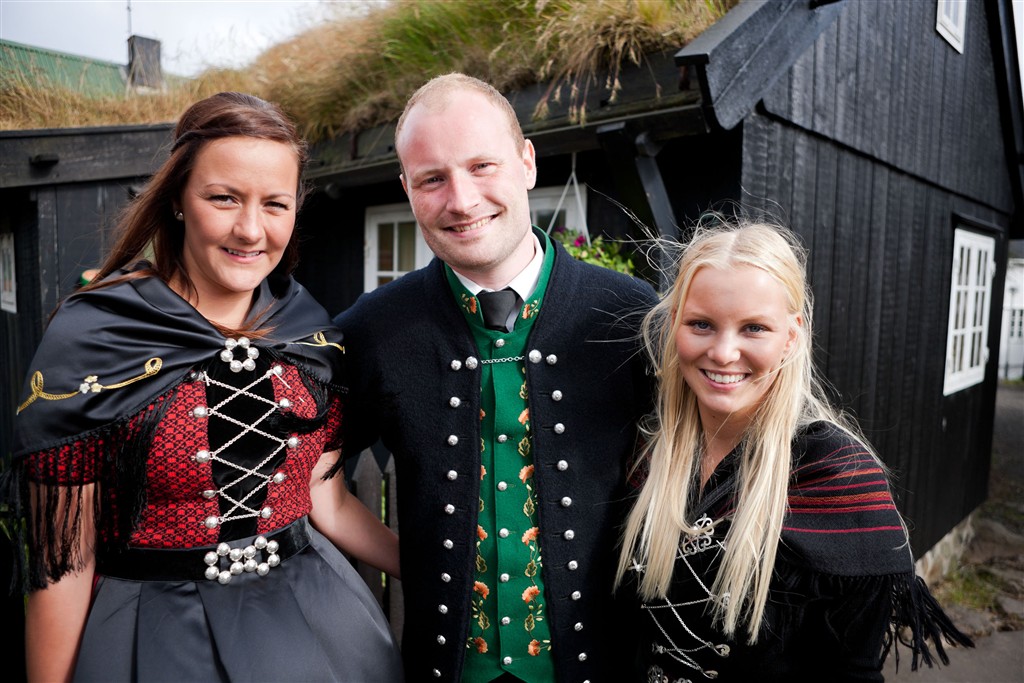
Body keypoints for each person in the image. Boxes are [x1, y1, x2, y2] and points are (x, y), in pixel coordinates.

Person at [8, 92, 404, 683]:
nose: (250, 230)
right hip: (153, 637)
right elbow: (64, 564)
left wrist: (443, 571)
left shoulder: (310, 332)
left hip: (321, 624)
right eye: (223, 198)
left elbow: (329, 502)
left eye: (275, 204)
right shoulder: (95, 337)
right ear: (177, 199)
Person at [333, 73, 658, 682]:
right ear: (407, 190)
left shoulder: (632, 315)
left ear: (527, 162)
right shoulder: (372, 330)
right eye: (432, 179)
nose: (461, 200)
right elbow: (311, 482)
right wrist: (425, 566)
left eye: (482, 166)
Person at [615, 220, 973, 681]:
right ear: (674, 326)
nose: (723, 352)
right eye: (701, 324)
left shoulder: (836, 475)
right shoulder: (648, 452)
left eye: (754, 328)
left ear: (790, 336)